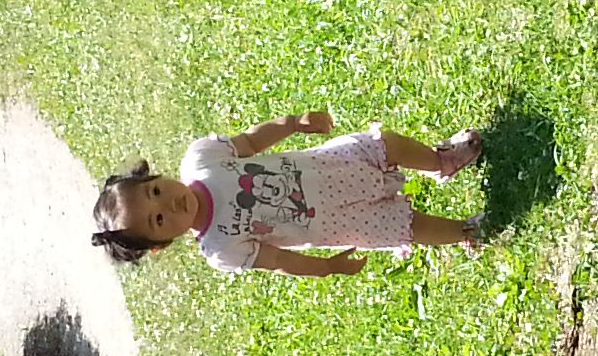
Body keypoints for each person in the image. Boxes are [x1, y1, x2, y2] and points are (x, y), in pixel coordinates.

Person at [90, 109, 482, 275]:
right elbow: (278, 260)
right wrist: (326, 268)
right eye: (159, 220)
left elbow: (250, 142)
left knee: (386, 146)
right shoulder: (221, 248)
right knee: (408, 227)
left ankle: (440, 162)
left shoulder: (202, 160)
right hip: (338, 222)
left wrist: (293, 123)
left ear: (154, 176)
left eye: (156, 191)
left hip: (329, 167)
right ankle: (467, 232)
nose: (170, 204)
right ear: (160, 243)